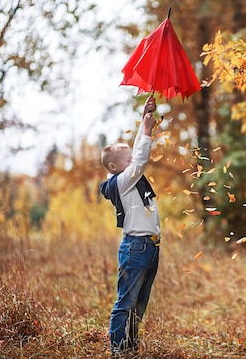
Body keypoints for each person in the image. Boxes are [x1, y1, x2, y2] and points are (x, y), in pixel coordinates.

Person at [99, 96, 160, 356]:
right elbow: (139, 161)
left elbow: (135, 156)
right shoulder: (121, 182)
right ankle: (118, 349)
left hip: (150, 247)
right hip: (135, 247)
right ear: (114, 167)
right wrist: (146, 131)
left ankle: (131, 346)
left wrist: (145, 116)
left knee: (140, 302)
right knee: (125, 302)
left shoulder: (126, 176)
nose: (132, 162)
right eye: (126, 160)